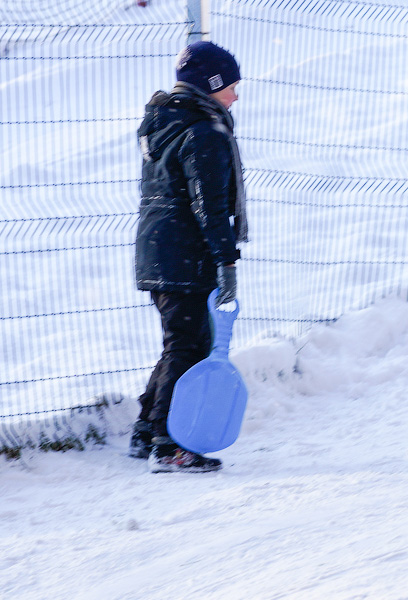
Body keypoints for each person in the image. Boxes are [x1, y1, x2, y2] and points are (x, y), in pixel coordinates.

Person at [129, 41, 248, 473]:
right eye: (230, 86)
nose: (235, 95)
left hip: (157, 250)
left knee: (178, 342)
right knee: (189, 346)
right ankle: (168, 445)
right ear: (210, 85)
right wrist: (226, 261)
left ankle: (147, 429)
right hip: (186, 254)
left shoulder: (166, 122)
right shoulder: (204, 133)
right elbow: (209, 206)